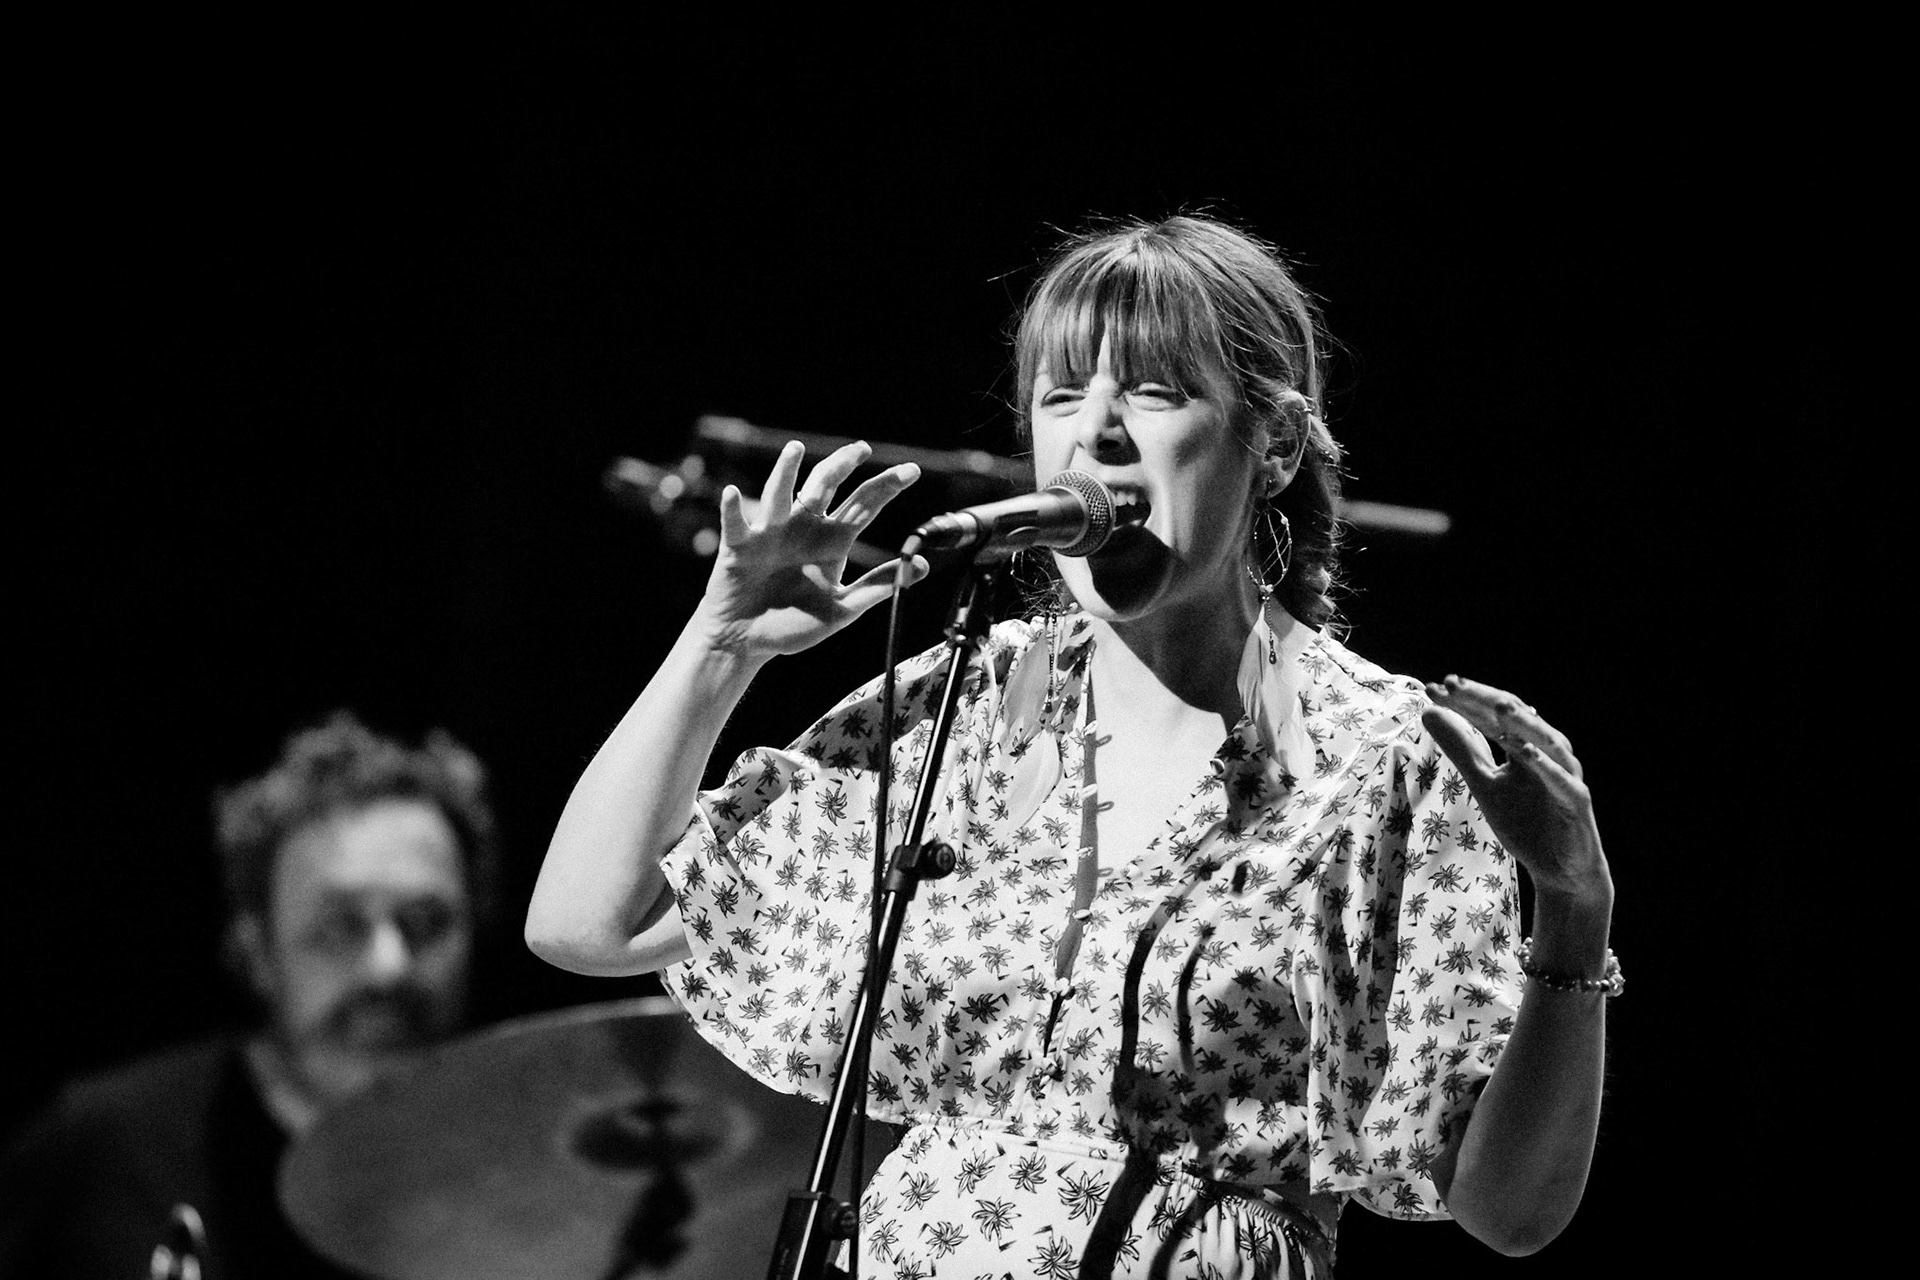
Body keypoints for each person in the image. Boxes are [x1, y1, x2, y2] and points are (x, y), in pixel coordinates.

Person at [525, 214, 1616, 1279]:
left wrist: (1573, 914)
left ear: (1273, 443)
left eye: (1151, 389)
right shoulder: (967, 708)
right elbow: (587, 920)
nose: (1094, 430)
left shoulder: (1376, 755)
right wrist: (720, 648)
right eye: (1060, 395)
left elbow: (1511, 1209)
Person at [0, 710, 498, 1280]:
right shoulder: (101, 1157)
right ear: (258, 953)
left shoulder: (540, 1160)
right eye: (339, 926)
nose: (389, 966)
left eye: (426, 921)